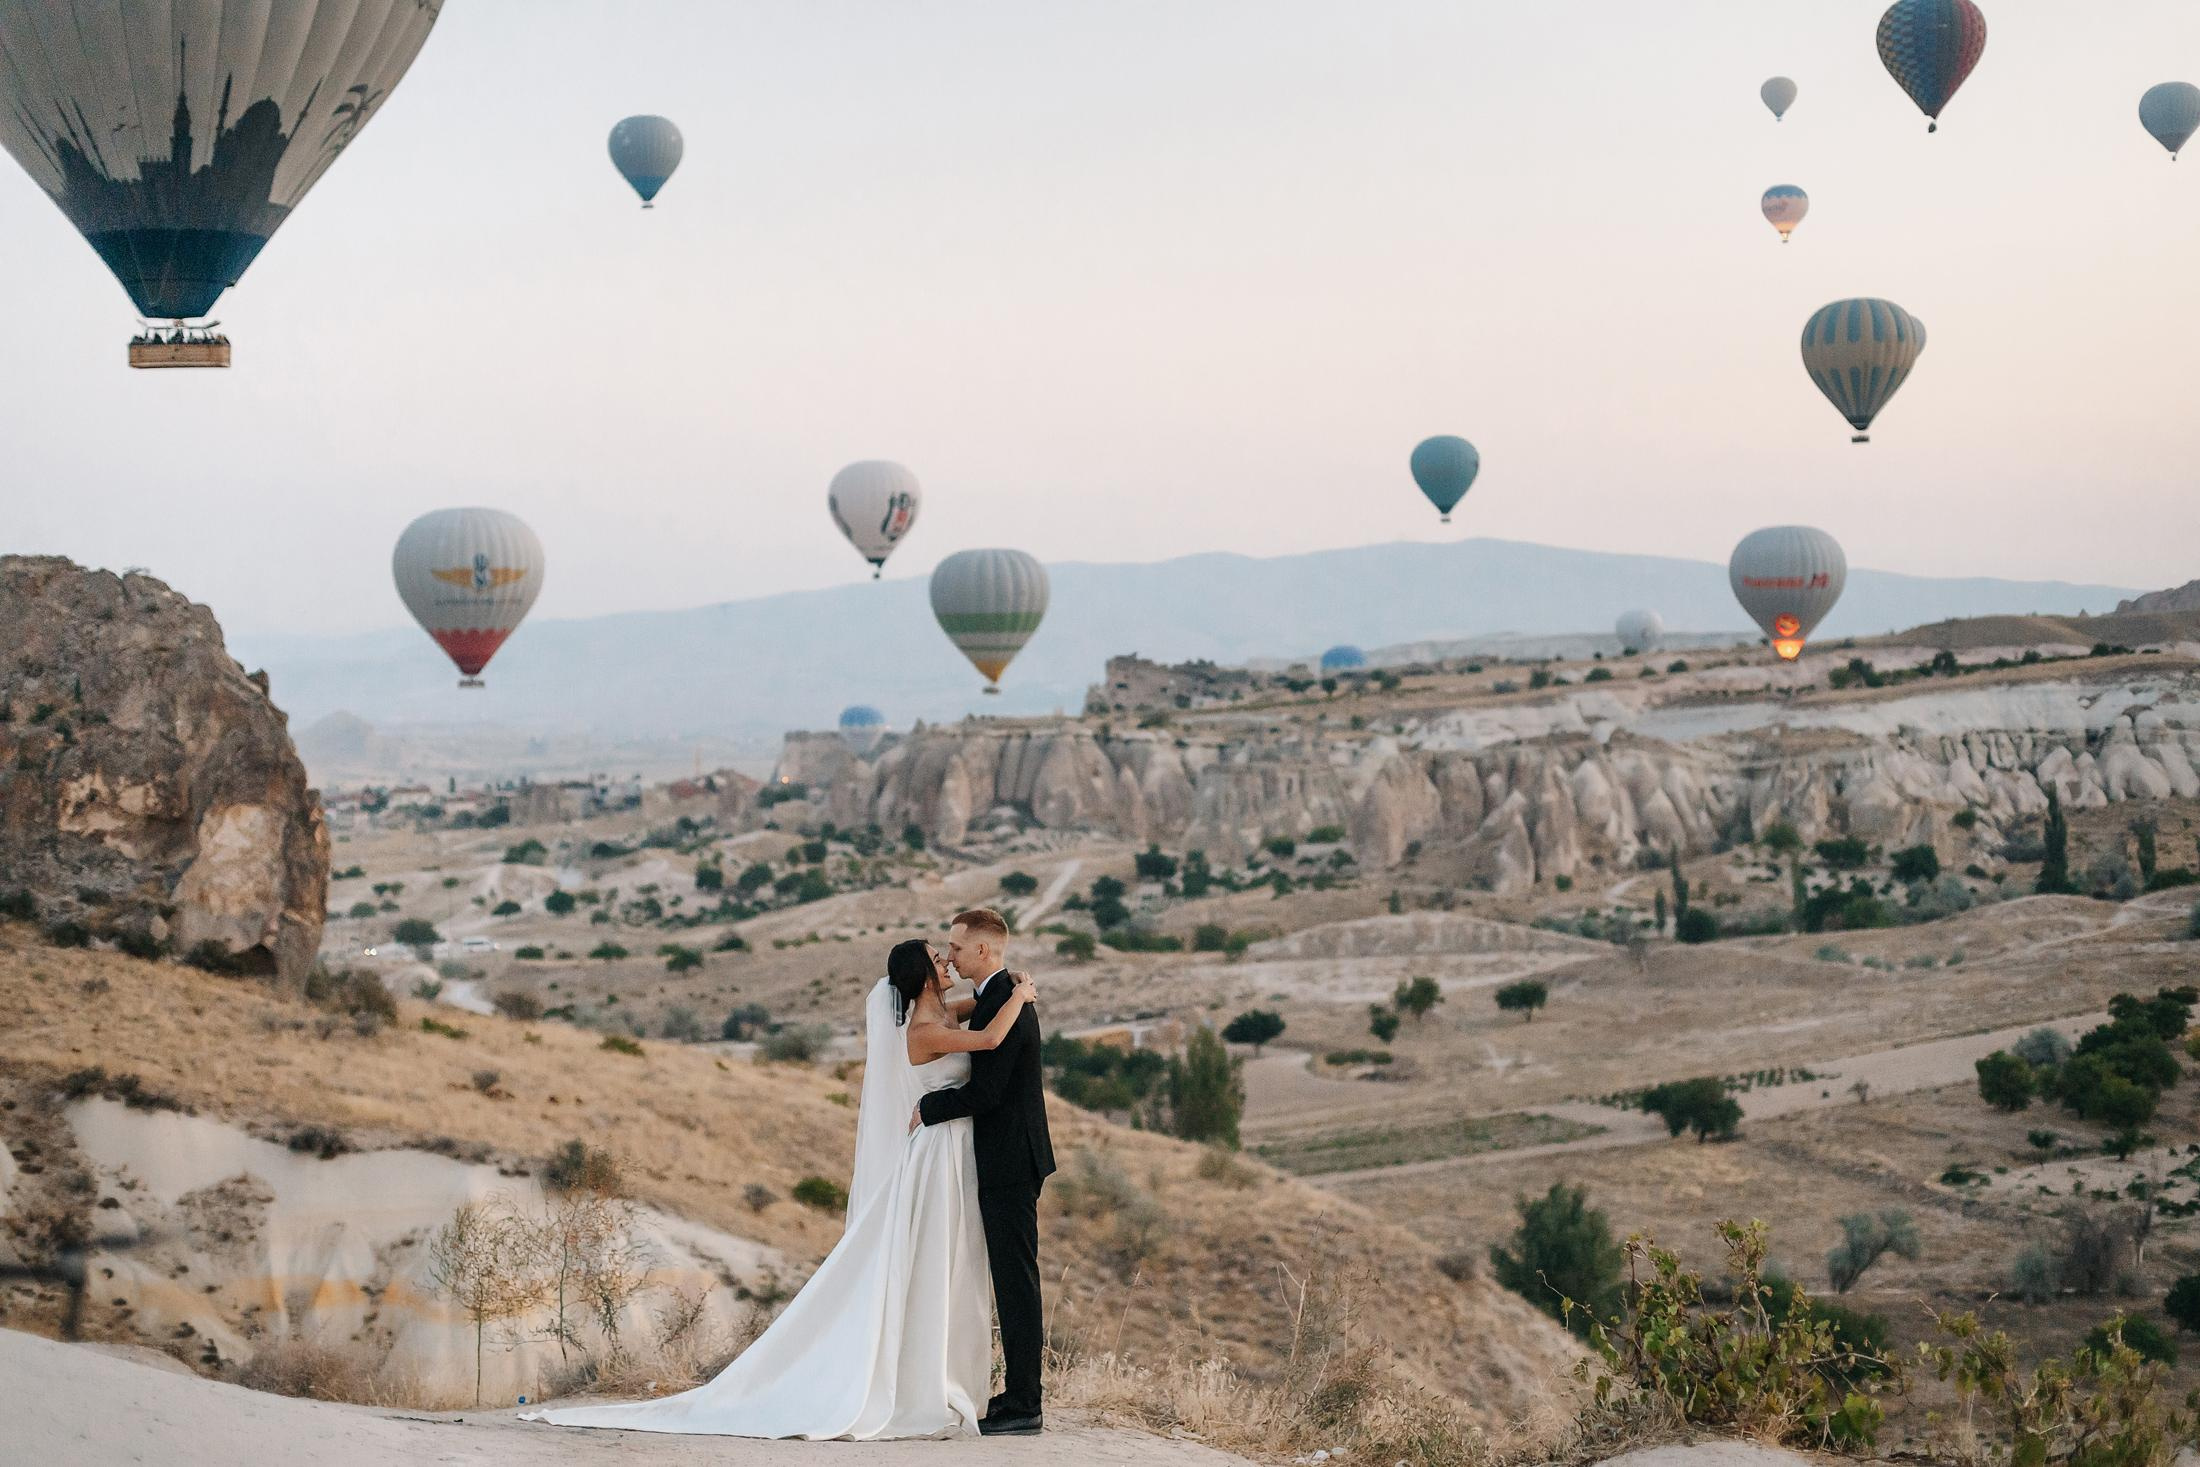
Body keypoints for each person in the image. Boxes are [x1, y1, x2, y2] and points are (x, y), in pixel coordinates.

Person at [524, 938, 1034, 1440]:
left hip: (950, 1149)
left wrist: (1002, 986)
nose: (947, 961)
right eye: (938, 958)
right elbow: (990, 1039)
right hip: (934, 1153)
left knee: (942, 1259)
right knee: (925, 1256)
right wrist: (1021, 995)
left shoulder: (940, 1014)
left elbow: (974, 1007)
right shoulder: (923, 1031)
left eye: (950, 953)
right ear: (923, 978)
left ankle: (939, 1374)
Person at [910, 907, 1056, 1436]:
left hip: (1011, 1159)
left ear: (981, 950)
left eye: (955, 947)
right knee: (1012, 1278)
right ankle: (1016, 1396)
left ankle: (1024, 1404)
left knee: (1016, 1282)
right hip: (1008, 1155)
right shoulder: (999, 995)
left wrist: (929, 1108)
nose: (949, 955)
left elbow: (989, 1093)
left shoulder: (1005, 1000)